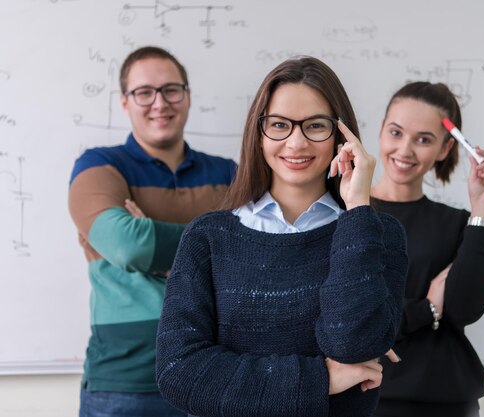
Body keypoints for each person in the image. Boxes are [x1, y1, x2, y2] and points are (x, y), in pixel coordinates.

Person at [155, 56, 408, 417]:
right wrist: (320, 379)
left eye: (315, 126)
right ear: (258, 135)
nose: (296, 142)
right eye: (279, 125)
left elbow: (353, 344)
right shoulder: (208, 238)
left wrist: (357, 209)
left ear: (341, 135)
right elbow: (179, 372)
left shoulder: (377, 234)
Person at [68, 46, 237, 417]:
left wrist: (155, 241)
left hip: (212, 374)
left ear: (188, 96)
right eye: (144, 92)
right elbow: (129, 247)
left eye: (171, 90)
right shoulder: (98, 166)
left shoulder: (228, 173)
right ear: (126, 102)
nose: (159, 103)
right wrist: (213, 245)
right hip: (124, 383)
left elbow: (255, 255)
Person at [370, 82, 484, 417]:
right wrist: (427, 309)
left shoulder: (459, 224)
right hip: (364, 401)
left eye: (423, 139)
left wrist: (483, 212)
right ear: (381, 131)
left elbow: (464, 310)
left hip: (447, 402)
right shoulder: (345, 215)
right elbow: (353, 319)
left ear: (445, 149)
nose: (404, 150)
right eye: (396, 132)